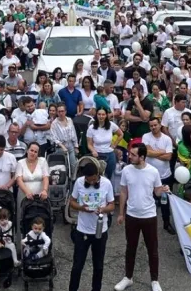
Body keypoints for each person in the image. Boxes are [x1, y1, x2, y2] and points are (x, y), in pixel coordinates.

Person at [115, 143, 169, 291]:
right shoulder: (126, 170)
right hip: (131, 215)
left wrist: (163, 189)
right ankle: (128, 277)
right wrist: (121, 213)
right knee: (130, 248)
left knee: (152, 249)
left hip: (149, 216)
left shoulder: (153, 172)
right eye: (130, 154)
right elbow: (124, 192)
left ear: (142, 157)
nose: (129, 156)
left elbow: (157, 192)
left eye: (133, 154)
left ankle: (155, 280)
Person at [68, 161, 115, 291]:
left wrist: (103, 209)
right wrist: (82, 208)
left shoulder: (107, 183)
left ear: (98, 175)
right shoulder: (79, 182)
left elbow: (112, 204)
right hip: (82, 230)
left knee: (98, 266)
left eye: (94, 180)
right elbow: (72, 202)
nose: (92, 183)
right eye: (89, 181)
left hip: (100, 230)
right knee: (77, 265)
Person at [142, 117, 175, 234]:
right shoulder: (146, 137)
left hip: (165, 175)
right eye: (151, 126)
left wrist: (152, 153)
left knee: (165, 202)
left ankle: (167, 223)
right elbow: (147, 152)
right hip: (149, 176)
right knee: (148, 200)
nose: (153, 128)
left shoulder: (167, 139)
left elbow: (169, 157)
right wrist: (162, 151)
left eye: (155, 125)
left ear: (160, 125)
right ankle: (147, 224)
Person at [87, 107, 123, 180]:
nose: (101, 116)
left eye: (103, 114)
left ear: (106, 115)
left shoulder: (111, 125)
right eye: (99, 114)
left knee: (110, 176)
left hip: (110, 154)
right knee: (98, 176)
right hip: (98, 155)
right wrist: (93, 151)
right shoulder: (91, 128)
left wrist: (114, 145)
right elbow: (89, 144)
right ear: (96, 115)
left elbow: (121, 134)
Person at [0, 207, 19, 273]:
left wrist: (9, 240)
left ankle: (15, 261)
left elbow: (10, 233)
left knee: (12, 246)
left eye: (6, 219)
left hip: (5, 241)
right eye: (2, 220)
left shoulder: (9, 224)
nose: (4, 221)